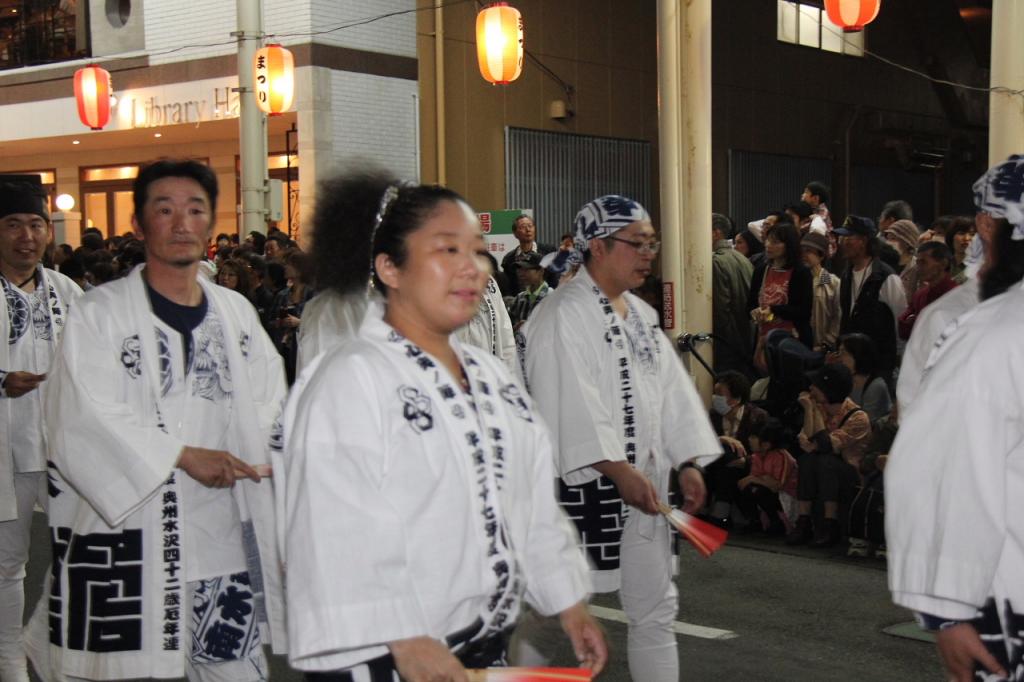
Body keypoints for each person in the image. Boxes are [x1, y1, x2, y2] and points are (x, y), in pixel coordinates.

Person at [275, 176, 607, 680]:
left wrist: (567, 601)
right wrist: (404, 638)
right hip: (382, 647)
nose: (469, 268)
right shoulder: (349, 377)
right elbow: (328, 525)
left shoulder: (490, 378)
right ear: (389, 267)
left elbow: (529, 502)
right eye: (445, 249)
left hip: (476, 636)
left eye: (475, 251)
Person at [29, 159, 288, 681]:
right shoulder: (99, 313)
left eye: (195, 209)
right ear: (140, 224)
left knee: (234, 672)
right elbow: (79, 415)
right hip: (130, 530)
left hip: (220, 536)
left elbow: (270, 402)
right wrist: (180, 455)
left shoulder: (235, 311)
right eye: (164, 209)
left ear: (210, 222)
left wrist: (274, 456)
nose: (181, 222)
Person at [523, 194, 721, 682]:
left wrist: (688, 459)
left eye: (652, 243)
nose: (649, 253)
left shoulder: (642, 316)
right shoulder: (561, 314)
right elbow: (568, 401)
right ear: (598, 246)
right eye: (639, 243)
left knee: (655, 611)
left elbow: (670, 393)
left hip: (646, 482)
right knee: (555, 615)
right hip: (583, 480)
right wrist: (616, 469)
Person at [887, 155, 1024, 682]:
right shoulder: (955, 316)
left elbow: (936, 461)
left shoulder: (990, 329)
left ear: (988, 225)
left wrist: (945, 606)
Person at [0, 180, 83, 682]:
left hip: (61, 445)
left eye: (35, 225)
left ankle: (40, 636)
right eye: (12, 225)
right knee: (8, 565)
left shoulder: (67, 291)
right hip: (6, 449)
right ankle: (9, 656)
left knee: (81, 548)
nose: (26, 236)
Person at [789, 363, 871, 547]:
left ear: (829, 389)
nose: (810, 389)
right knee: (808, 460)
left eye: (815, 385)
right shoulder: (821, 409)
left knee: (826, 461)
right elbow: (806, 444)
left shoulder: (858, 417)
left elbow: (826, 445)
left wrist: (813, 411)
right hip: (822, 466)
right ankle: (803, 521)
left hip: (850, 475)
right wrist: (811, 410)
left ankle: (830, 524)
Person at [835, 215, 907, 381]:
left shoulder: (886, 276)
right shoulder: (846, 275)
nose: (842, 242)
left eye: (848, 237)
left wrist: (897, 359)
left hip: (878, 365)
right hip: (851, 366)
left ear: (864, 241)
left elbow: (899, 320)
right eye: (842, 237)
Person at [748, 221, 814, 371]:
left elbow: (804, 311)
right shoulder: (761, 270)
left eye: (775, 242)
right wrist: (756, 313)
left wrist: (773, 310)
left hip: (793, 339)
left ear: (789, 245)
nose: (768, 245)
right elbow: (750, 304)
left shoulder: (800, 272)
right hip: (763, 337)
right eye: (768, 240)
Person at [736, 418, 798, 536]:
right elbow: (758, 477)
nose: (749, 439)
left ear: (766, 444)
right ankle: (755, 521)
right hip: (768, 490)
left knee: (760, 490)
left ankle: (778, 523)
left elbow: (777, 485)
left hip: (786, 496)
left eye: (753, 437)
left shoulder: (781, 456)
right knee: (746, 488)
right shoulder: (757, 456)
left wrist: (754, 479)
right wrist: (755, 480)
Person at [711, 213, 754, 375]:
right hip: (747, 333)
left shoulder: (716, 261)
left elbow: (721, 309)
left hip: (728, 339)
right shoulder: (742, 258)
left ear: (716, 233)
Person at [897, 241, 957, 341]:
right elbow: (904, 327)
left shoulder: (956, 296)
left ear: (943, 264)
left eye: (924, 262)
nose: (919, 267)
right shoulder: (920, 294)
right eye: (917, 262)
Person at [835, 332, 892, 425]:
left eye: (844, 353)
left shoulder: (875, 385)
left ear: (858, 356)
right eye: (839, 352)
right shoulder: (845, 379)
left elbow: (865, 424)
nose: (839, 358)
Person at [800, 231, 840, 351]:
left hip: (824, 347)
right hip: (799, 345)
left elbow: (838, 317)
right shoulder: (797, 279)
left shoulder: (831, 282)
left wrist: (827, 343)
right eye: (802, 250)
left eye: (808, 251)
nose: (803, 255)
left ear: (821, 255)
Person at [500, 214, 553, 295]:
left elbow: (555, 279)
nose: (528, 230)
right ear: (515, 233)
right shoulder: (509, 259)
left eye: (530, 226)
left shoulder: (548, 251)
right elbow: (508, 286)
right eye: (523, 227)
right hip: (520, 303)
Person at [507, 251, 550, 330]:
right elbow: (507, 327)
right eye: (520, 269)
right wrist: (515, 328)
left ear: (541, 271)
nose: (521, 273)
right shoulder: (519, 298)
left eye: (526, 269)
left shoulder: (551, 296)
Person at [882, 218, 922, 302]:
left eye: (893, 239)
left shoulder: (917, 267)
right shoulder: (884, 265)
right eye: (888, 239)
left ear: (907, 242)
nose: (888, 243)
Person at [944, 216, 976, 284]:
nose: (966, 238)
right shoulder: (943, 265)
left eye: (972, 234)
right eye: (961, 233)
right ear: (951, 237)